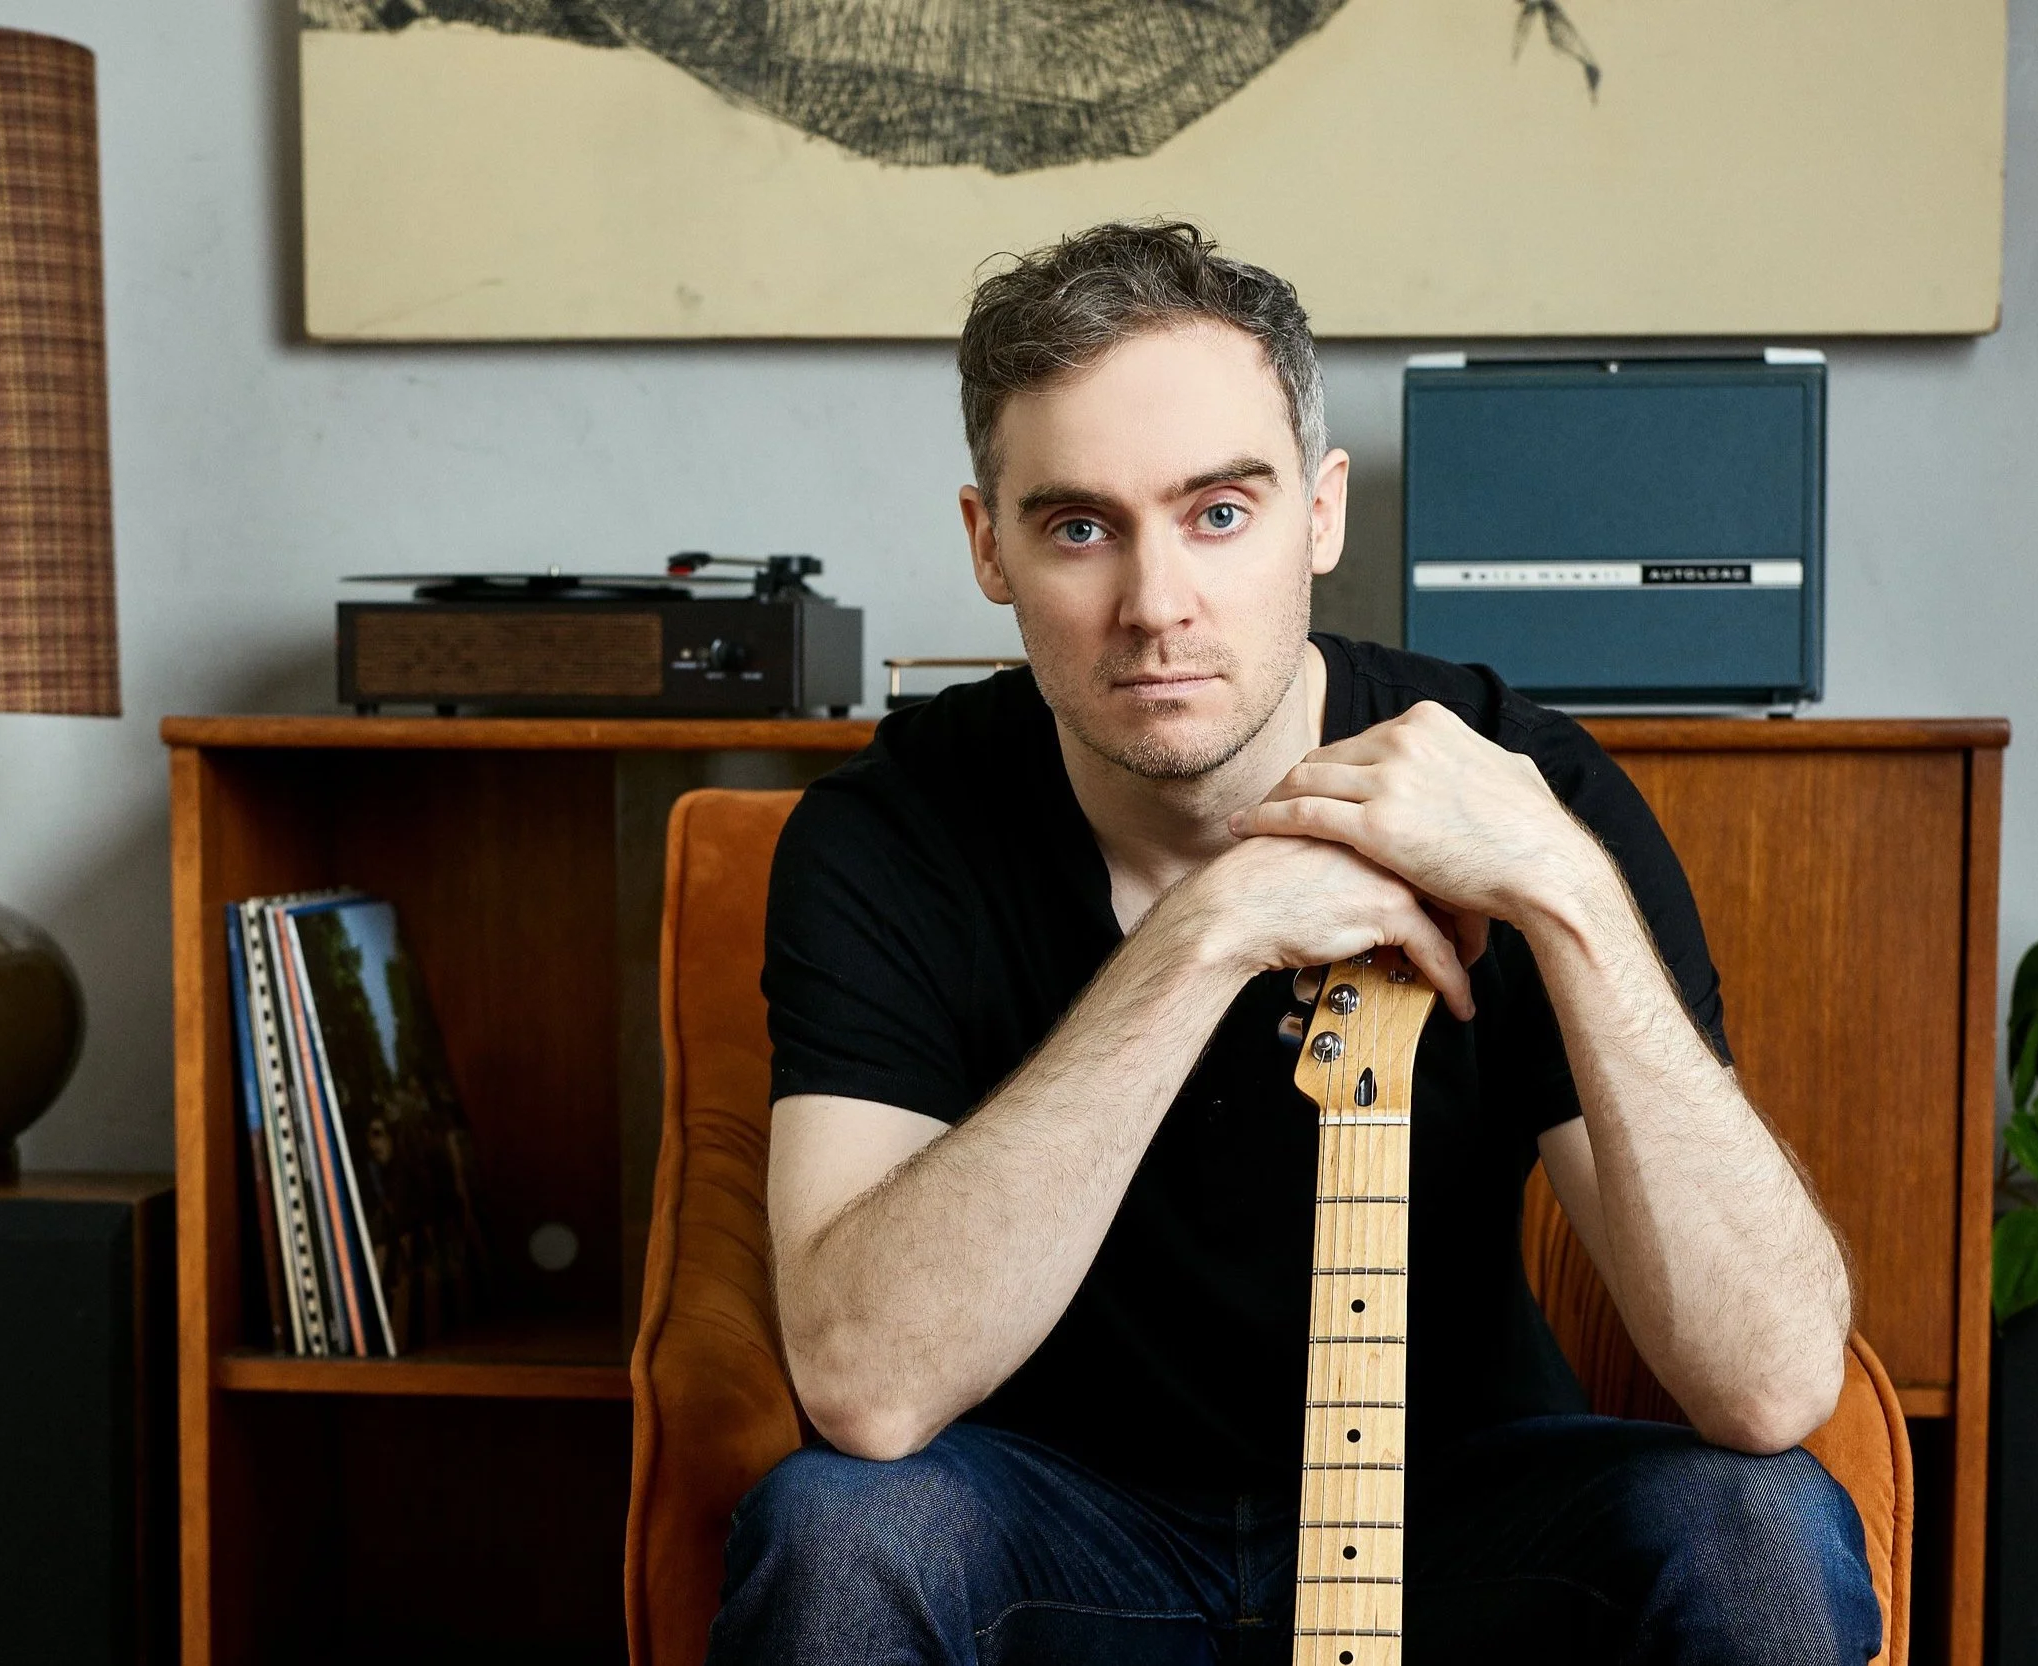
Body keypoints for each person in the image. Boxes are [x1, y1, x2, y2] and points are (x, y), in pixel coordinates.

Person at [708, 220, 1879, 1666]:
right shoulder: (887, 837)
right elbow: (863, 1387)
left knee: (1760, 1526)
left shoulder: (1520, 789)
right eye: (1080, 525)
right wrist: (1202, 933)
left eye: (1219, 512)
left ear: (1320, 514)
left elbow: (1769, 1381)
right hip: (1059, 1525)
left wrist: (1564, 896)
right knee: (834, 1530)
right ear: (987, 545)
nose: (1155, 605)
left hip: (1455, 1517)